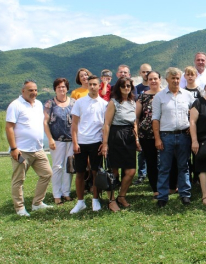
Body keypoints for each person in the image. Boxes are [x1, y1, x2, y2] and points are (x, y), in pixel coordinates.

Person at [6, 79, 53, 216]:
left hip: (38, 149)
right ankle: (20, 208)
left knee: (47, 174)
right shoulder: (15, 105)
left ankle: (37, 203)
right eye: (30, 90)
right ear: (23, 91)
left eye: (35, 90)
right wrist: (14, 148)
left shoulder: (38, 104)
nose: (34, 93)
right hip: (22, 151)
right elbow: (9, 127)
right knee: (19, 180)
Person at [153, 68, 195, 207]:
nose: (176, 81)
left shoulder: (188, 95)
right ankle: (163, 196)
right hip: (166, 136)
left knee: (184, 166)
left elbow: (193, 115)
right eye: (173, 78)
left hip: (184, 135)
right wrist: (157, 138)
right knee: (164, 167)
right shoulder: (159, 97)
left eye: (178, 78)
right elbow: (155, 119)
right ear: (167, 79)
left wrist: (191, 125)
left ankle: (185, 194)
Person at [69, 75, 108, 214]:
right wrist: (75, 142)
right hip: (81, 142)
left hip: (96, 142)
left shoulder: (104, 104)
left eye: (95, 84)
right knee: (79, 172)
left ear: (99, 86)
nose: (92, 87)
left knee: (95, 172)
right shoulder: (79, 102)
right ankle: (80, 202)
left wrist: (104, 143)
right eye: (90, 84)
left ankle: (95, 199)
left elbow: (105, 125)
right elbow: (74, 124)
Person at [101, 77, 140, 212]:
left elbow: (134, 122)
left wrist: (137, 140)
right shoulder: (113, 102)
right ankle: (111, 200)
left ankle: (121, 196)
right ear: (118, 88)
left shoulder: (132, 102)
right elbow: (106, 123)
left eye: (128, 86)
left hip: (129, 136)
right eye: (123, 86)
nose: (126, 88)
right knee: (114, 171)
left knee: (130, 171)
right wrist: (105, 143)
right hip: (115, 135)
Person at [43, 78, 76, 205]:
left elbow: (77, 121)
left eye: (63, 87)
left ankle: (66, 193)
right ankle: (57, 194)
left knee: (69, 167)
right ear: (55, 89)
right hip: (56, 140)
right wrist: (50, 139)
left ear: (67, 88)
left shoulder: (73, 102)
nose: (61, 89)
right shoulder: (50, 104)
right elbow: (45, 122)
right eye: (59, 87)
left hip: (71, 139)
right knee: (57, 167)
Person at [136, 70, 162, 199]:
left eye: (155, 78)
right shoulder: (142, 96)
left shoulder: (165, 95)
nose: (153, 81)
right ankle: (155, 189)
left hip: (164, 132)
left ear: (160, 80)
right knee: (151, 162)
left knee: (165, 162)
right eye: (150, 79)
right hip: (146, 135)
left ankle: (168, 185)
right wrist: (136, 135)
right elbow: (136, 117)